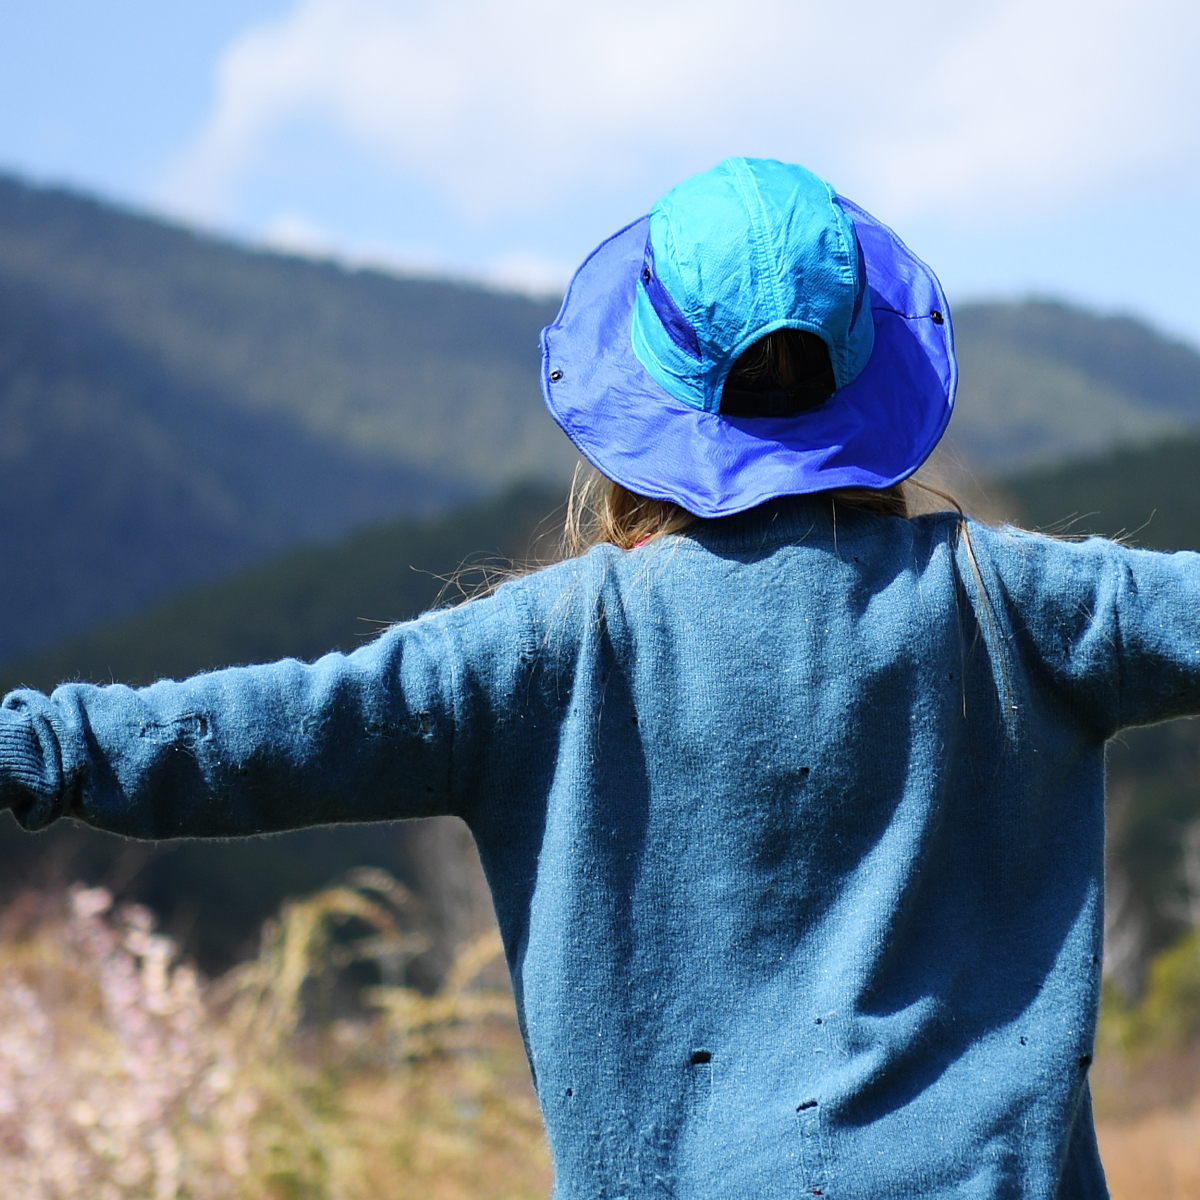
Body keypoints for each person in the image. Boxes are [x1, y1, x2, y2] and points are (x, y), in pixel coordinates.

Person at [0, 156, 1193, 1199]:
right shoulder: (1024, 605)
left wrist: (31, 746)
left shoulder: (546, 651)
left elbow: (235, 738)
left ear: (644, 401)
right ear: (870, 382)